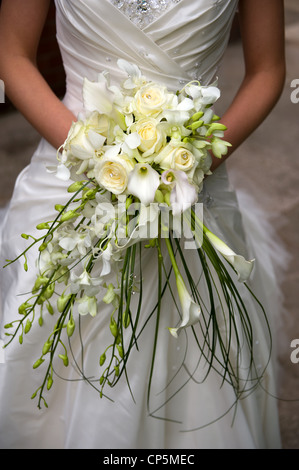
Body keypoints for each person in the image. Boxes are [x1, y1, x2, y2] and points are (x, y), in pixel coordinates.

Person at [0, 0, 286, 449]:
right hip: (70, 168)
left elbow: (267, 70)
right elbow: (12, 54)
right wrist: (98, 158)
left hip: (191, 183)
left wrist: (189, 165)